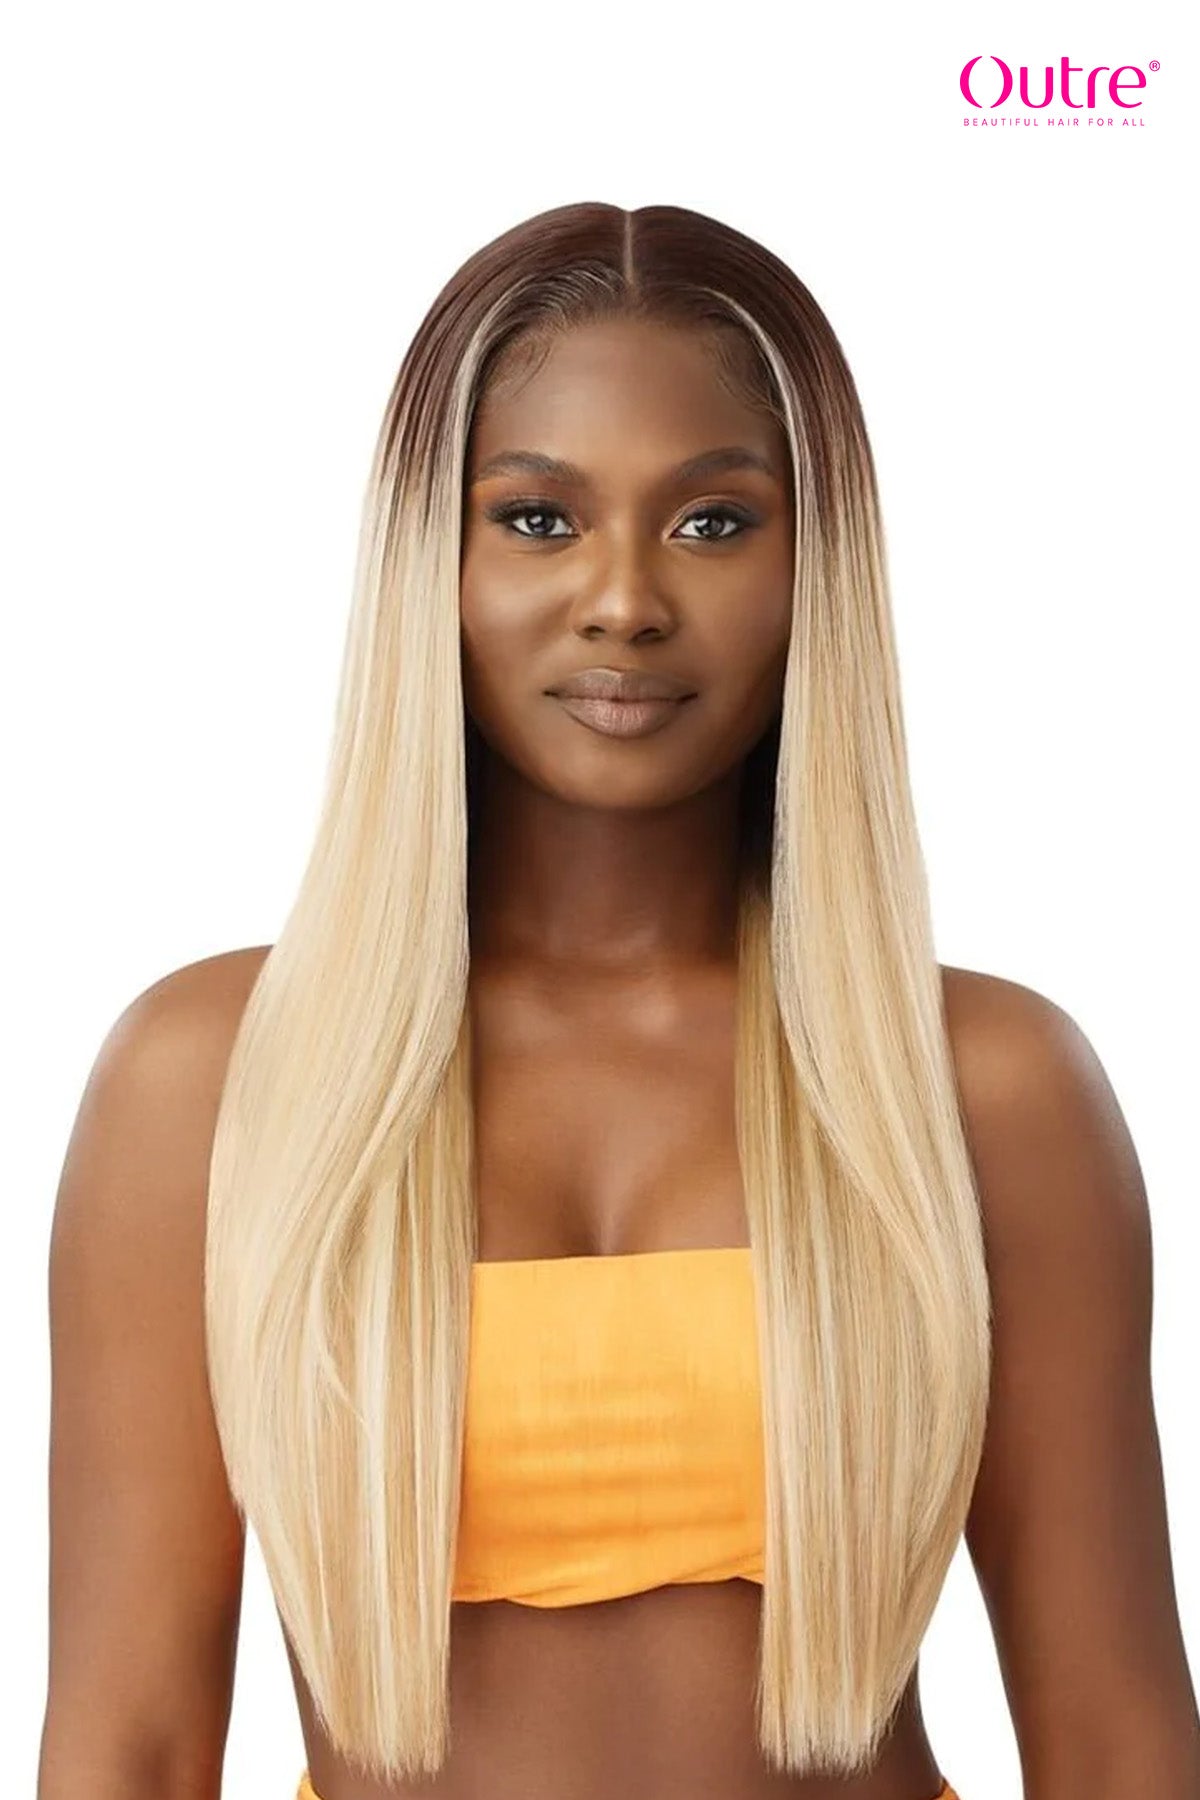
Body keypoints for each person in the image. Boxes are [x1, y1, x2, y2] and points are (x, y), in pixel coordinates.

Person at [39, 202, 1200, 1800]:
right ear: (429, 558)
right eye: (537, 518)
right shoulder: (213, 1082)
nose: (625, 600)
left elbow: (1121, 1741)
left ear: (816, 565)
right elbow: (127, 1740)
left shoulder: (990, 1088)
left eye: (714, 522)